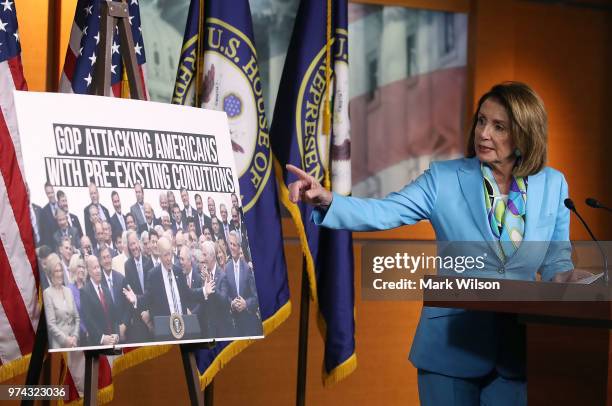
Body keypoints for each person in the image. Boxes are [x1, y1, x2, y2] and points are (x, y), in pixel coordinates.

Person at [286, 82, 589, 406]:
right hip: (449, 351)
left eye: (499, 126)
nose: (484, 133)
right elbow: (385, 211)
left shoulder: (553, 184)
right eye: (482, 121)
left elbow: (557, 259)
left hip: (515, 354)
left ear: (525, 134)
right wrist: (326, 200)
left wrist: (571, 278)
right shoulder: (443, 178)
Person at [224, 231, 261, 336]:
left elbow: (256, 296)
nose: (231, 247)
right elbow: (225, 294)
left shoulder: (247, 269)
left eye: (234, 244)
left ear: (239, 247)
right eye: (230, 244)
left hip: (248, 322)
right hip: (234, 324)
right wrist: (231, 303)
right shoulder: (227, 268)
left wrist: (246, 304)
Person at [43, 253, 80, 349]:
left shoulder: (68, 290)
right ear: (51, 273)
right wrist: (66, 340)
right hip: (60, 346)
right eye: (56, 271)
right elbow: (51, 325)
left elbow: (77, 318)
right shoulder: (47, 293)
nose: (59, 274)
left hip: (74, 344)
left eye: (60, 270)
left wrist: (75, 337)